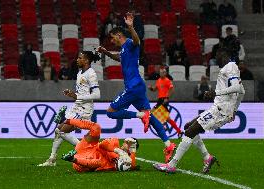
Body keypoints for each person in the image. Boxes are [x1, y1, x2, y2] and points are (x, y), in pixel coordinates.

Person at [97, 13, 176, 163]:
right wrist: (106, 53)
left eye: (113, 38)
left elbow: (137, 40)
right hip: (138, 87)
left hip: (133, 87)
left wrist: (131, 26)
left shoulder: (130, 43)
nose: (112, 41)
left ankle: (140, 115)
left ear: (118, 35)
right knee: (151, 117)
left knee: (111, 112)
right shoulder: (124, 49)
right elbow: (120, 57)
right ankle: (168, 144)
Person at [153, 48, 245, 173]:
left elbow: (237, 88)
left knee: (190, 131)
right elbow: (242, 91)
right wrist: (234, 110)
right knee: (188, 126)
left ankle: (172, 165)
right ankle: (207, 158)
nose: (214, 59)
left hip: (220, 111)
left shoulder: (230, 66)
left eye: (216, 55)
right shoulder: (231, 68)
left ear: (223, 55)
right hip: (218, 109)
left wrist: (216, 93)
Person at [38, 51, 101, 166]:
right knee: (58, 130)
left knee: (60, 131)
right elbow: (82, 91)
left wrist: (78, 96)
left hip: (83, 109)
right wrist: (73, 94)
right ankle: (52, 159)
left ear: (86, 61)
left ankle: (85, 149)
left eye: (80, 58)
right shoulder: (80, 72)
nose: (77, 59)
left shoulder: (91, 74)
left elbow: (97, 95)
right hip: (76, 106)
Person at [61, 119, 139, 172]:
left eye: (129, 144)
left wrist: (133, 149)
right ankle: (65, 120)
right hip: (87, 147)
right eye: (127, 142)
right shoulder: (115, 143)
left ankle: (72, 158)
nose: (127, 144)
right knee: (96, 127)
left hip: (82, 162)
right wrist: (119, 151)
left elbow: (132, 166)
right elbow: (102, 145)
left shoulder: (126, 160)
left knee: (98, 163)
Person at [148, 68, 183, 137]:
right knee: (167, 118)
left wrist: (167, 98)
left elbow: (171, 89)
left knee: (152, 113)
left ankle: (163, 125)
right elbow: (155, 89)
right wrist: (151, 88)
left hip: (164, 100)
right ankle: (179, 131)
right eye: (161, 72)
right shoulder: (158, 80)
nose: (162, 74)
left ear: (165, 73)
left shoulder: (167, 80)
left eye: (163, 72)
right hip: (160, 100)